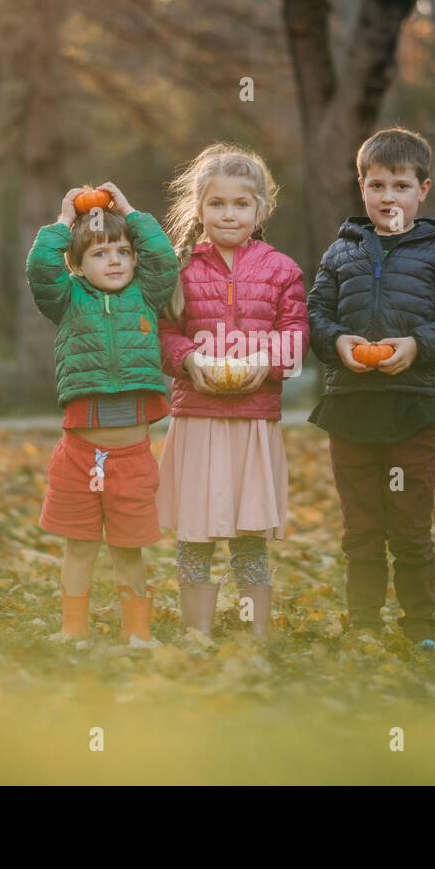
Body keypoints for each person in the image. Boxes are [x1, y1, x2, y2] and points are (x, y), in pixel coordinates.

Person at [307, 128, 435, 649]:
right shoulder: (342, 251)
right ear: (361, 186)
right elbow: (314, 315)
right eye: (378, 185)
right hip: (350, 409)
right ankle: (363, 624)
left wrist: (417, 344)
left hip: (414, 409)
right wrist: (338, 343)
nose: (389, 197)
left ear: (422, 190)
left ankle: (419, 628)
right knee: (360, 528)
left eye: (401, 186)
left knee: (408, 528)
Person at [157, 144, 308, 640]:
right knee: (195, 532)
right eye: (217, 204)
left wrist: (266, 362)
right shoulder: (178, 269)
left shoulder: (281, 269)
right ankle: (196, 631)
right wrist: (188, 359)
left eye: (241, 204)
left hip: (253, 419)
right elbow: (163, 332)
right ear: (199, 208)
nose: (229, 214)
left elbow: (296, 330)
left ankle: (255, 631)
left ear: (260, 209)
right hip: (196, 416)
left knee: (249, 534)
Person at [25, 182, 178, 647]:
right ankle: (73, 630)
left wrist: (131, 213)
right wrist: (63, 220)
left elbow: (164, 259)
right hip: (79, 454)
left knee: (128, 549)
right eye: (98, 253)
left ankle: (138, 631)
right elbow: (39, 269)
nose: (114, 260)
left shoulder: (147, 296)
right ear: (78, 264)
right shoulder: (68, 300)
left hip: (131, 456)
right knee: (79, 546)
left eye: (122, 251)